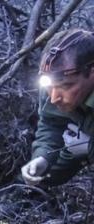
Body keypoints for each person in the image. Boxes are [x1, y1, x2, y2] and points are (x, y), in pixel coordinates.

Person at [21, 29, 94, 186]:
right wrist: (42, 157)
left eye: (66, 86)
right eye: (49, 87)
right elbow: (51, 123)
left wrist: (88, 147)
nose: (54, 98)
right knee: (41, 177)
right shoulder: (54, 82)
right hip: (80, 139)